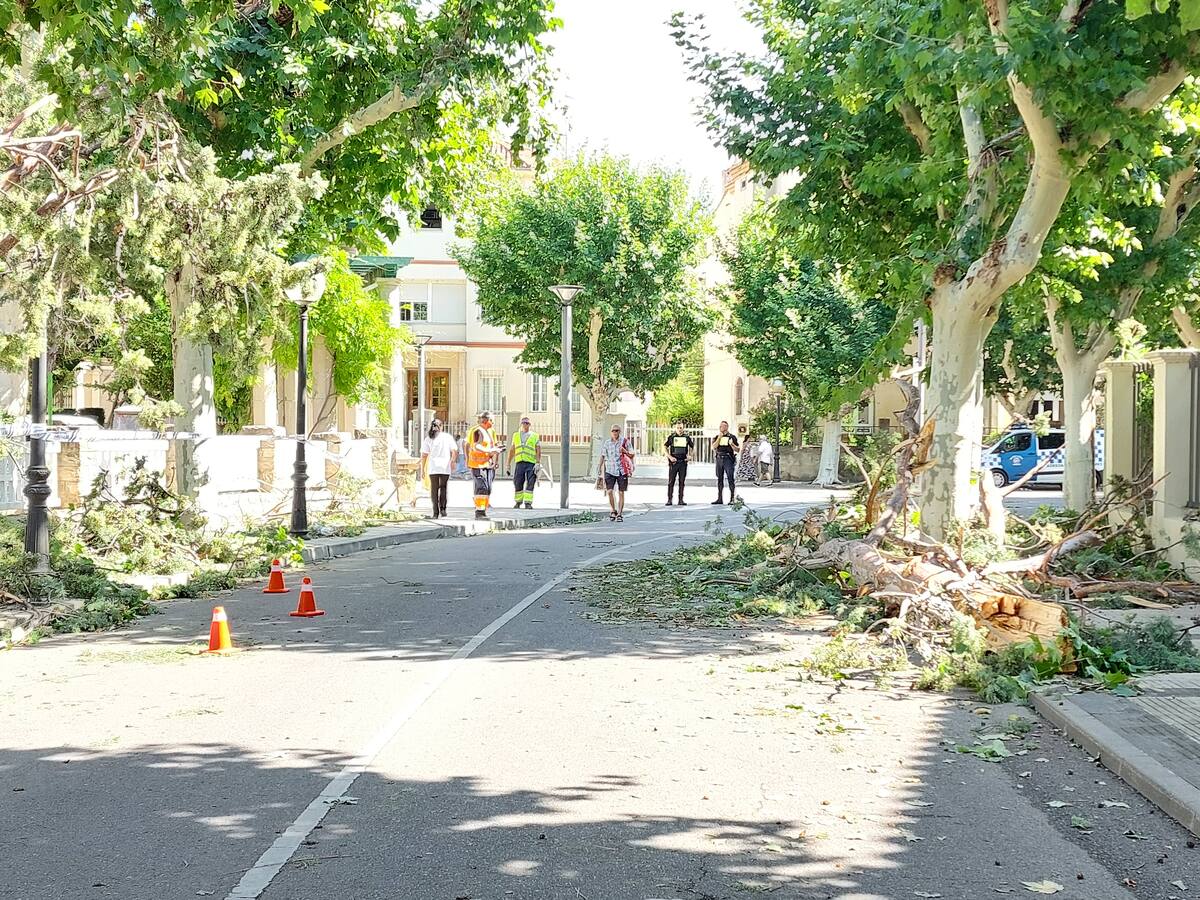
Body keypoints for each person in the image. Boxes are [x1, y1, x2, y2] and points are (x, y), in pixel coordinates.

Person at [466, 411, 503, 519]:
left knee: (488, 488)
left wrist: (496, 452)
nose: (493, 423)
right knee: (481, 487)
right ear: (487, 420)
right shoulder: (478, 431)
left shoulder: (490, 431)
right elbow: (476, 446)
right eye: (492, 420)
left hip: (487, 464)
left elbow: (492, 445)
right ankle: (480, 512)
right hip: (478, 465)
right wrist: (490, 450)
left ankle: (483, 509)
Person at [419, 419, 458, 518]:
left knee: (434, 489)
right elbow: (454, 451)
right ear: (441, 426)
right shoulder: (447, 437)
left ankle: (435, 513)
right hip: (445, 466)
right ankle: (443, 509)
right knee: (443, 488)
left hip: (433, 467)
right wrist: (453, 461)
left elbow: (424, 455)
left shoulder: (429, 438)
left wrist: (422, 469)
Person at [598, 424, 635, 522]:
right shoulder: (607, 443)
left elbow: (632, 454)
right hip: (610, 470)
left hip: (621, 470)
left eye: (617, 430)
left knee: (621, 492)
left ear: (620, 431)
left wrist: (625, 451)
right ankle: (613, 510)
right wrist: (599, 467)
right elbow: (603, 455)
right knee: (609, 491)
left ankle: (619, 514)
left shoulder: (625, 442)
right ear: (611, 432)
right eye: (613, 431)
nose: (615, 432)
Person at [508, 416, 541, 509]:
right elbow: (512, 450)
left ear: (529, 425)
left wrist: (538, 462)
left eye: (527, 423)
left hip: (531, 463)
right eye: (524, 423)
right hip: (520, 462)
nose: (525, 425)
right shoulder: (516, 435)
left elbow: (538, 450)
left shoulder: (534, 436)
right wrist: (508, 464)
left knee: (531, 482)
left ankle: (528, 502)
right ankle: (518, 502)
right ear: (521, 424)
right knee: (518, 482)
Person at [664, 421, 693, 506]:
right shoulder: (672, 437)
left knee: (682, 481)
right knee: (671, 481)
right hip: (674, 462)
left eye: (681, 428)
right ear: (675, 428)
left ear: (683, 428)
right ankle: (669, 500)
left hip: (683, 462)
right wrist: (669, 457)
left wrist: (690, 456)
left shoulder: (687, 437)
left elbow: (692, 447)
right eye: (678, 428)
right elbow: (665, 447)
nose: (679, 429)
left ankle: (681, 500)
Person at [711, 420, 739, 505]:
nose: (721, 428)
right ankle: (719, 498)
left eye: (723, 426)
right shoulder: (717, 437)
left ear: (726, 427)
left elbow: (738, 449)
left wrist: (732, 444)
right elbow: (714, 447)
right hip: (719, 458)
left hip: (728, 458)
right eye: (720, 426)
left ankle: (732, 498)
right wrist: (719, 438)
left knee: (730, 478)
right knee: (719, 479)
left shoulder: (732, 437)